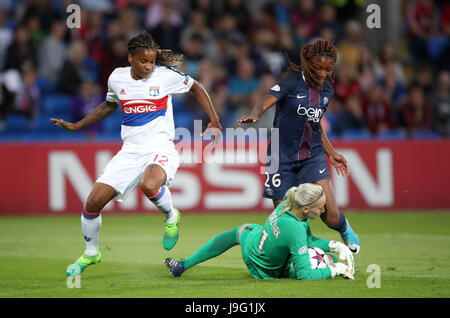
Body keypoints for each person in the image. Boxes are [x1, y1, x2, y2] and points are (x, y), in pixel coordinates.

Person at [51, 31, 222, 277]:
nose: (149, 66)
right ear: (131, 57)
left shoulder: (164, 77)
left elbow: (195, 86)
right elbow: (109, 105)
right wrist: (77, 126)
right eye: (144, 61)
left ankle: (171, 216)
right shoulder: (117, 78)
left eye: (152, 61)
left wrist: (214, 120)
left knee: (149, 184)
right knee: (92, 203)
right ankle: (91, 253)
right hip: (130, 151)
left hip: (161, 146)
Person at [237, 39, 360, 254]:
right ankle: (303, 256)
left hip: (312, 155)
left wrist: (331, 153)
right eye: (318, 68)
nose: (323, 74)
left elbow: (314, 124)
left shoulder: (327, 90)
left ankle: (344, 228)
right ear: (309, 64)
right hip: (280, 157)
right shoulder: (292, 81)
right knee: (287, 223)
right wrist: (256, 114)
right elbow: (266, 99)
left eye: (328, 70)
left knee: (330, 215)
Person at [165, 183, 355, 280]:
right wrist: (335, 269)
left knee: (239, 231)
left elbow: (307, 239)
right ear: (305, 208)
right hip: (264, 270)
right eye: (320, 207)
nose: (323, 211)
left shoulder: (286, 207)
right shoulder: (295, 228)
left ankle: (183, 265)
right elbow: (305, 275)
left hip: (255, 243)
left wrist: (334, 245)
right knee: (327, 261)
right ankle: (332, 265)